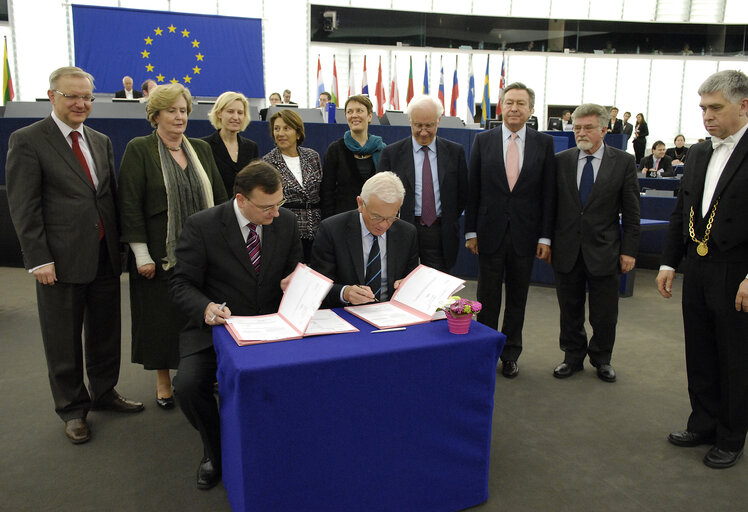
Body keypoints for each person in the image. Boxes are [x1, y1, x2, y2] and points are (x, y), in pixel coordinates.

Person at [6, 66, 143, 445]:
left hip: (102, 256)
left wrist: (119, 249)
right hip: (59, 261)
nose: (81, 103)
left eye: (86, 97)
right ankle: (71, 409)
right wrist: (38, 258)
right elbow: (24, 206)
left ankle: (104, 392)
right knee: (62, 338)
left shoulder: (100, 140)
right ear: (52, 97)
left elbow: (107, 198)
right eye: (72, 96)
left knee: (105, 331)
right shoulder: (28, 140)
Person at [170, 161, 302, 489]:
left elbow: (296, 267)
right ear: (241, 200)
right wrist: (206, 307)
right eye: (267, 207)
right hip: (216, 328)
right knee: (187, 387)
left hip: (272, 325)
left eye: (279, 203)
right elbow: (181, 284)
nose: (275, 213)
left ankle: (285, 448)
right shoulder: (203, 226)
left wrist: (295, 281)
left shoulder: (285, 221)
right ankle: (215, 451)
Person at [657, 69, 748, 469]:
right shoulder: (698, 152)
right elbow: (682, 212)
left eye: (716, 108)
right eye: (702, 109)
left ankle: (731, 435)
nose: (707, 116)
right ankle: (704, 421)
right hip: (697, 266)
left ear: (744, 106)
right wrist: (667, 262)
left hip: (738, 271)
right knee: (700, 350)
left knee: (735, 357)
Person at [118, 83, 227, 410]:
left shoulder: (201, 150)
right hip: (158, 255)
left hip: (202, 253)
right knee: (161, 319)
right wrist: (141, 254)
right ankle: (163, 378)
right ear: (155, 116)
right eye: (171, 111)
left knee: (200, 314)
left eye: (183, 110)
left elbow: (220, 199)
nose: (179, 117)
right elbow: (129, 204)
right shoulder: (139, 149)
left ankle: (204, 371)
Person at [464, 82, 556, 379]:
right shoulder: (483, 141)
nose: (514, 108)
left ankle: (510, 353)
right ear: (500, 107)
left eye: (521, 103)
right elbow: (473, 189)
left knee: (518, 299)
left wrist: (544, 236)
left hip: (526, 236)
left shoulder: (544, 143)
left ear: (531, 109)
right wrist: (470, 231)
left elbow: (548, 194)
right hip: (489, 234)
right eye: (509, 102)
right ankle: (486, 351)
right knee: (487, 298)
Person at [551, 103, 640, 383]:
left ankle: (602, 359)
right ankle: (572, 357)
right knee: (570, 309)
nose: (581, 132)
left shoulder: (623, 162)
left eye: (588, 127)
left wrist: (629, 251)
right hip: (567, 250)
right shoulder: (561, 160)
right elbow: (550, 207)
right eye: (577, 127)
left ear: (604, 129)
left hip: (605, 251)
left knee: (604, 313)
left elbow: (632, 211)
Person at [377, 95, 468, 273]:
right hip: (402, 231)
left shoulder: (455, 152)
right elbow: (382, 195)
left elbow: (462, 194)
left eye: (429, 125)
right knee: (402, 285)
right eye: (418, 125)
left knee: (439, 290)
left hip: (441, 233)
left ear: (439, 122)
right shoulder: (391, 154)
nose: (424, 131)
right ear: (410, 121)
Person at [310, 171, 419, 308]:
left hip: (391, 315)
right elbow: (315, 287)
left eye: (392, 217)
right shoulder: (332, 230)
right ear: (360, 203)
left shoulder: (407, 233)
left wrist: (408, 285)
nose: (384, 225)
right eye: (377, 217)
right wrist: (345, 293)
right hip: (346, 315)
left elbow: (411, 278)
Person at [263, 109, 322, 262]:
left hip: (316, 229)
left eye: (286, 128)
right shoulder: (267, 162)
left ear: (297, 133)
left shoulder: (312, 156)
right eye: (276, 129)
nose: (280, 133)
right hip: (285, 230)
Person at [321, 95, 385, 218]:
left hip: (376, 219)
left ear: (370, 116)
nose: (354, 115)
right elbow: (327, 193)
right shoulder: (335, 150)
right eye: (350, 112)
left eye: (359, 111)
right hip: (343, 221)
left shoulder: (382, 150)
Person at [202, 91, 259, 197]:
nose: (236, 117)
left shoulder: (251, 147)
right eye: (230, 111)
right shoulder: (205, 146)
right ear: (219, 113)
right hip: (216, 209)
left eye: (240, 113)